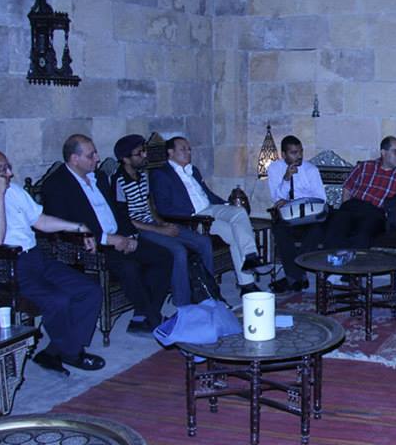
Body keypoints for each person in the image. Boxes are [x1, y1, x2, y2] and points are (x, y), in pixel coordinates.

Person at [0, 148, 105, 376]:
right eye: (3, 170)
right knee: (58, 300)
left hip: (35, 258)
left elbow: (39, 221)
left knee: (90, 290)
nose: (10, 174)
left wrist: (79, 227)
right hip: (3, 270)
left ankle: (55, 352)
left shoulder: (13, 191)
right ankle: (72, 353)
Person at [42, 134, 174, 335]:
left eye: (95, 153)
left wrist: (131, 236)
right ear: (74, 159)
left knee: (163, 256)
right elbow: (61, 227)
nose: (97, 158)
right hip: (90, 246)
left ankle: (144, 316)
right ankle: (153, 319)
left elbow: (117, 211)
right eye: (91, 155)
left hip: (118, 236)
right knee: (129, 267)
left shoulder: (100, 178)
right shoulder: (56, 185)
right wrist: (107, 239)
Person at [111, 134, 216, 308]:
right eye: (139, 153)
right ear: (125, 159)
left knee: (203, 242)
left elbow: (149, 206)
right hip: (138, 229)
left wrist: (161, 222)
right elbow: (124, 219)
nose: (145, 155)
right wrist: (158, 229)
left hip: (153, 223)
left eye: (144, 151)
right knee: (178, 250)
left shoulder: (142, 175)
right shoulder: (119, 181)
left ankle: (208, 292)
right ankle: (182, 303)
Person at [150, 136, 263, 295]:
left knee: (239, 212)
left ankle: (251, 256)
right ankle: (247, 284)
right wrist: (190, 216)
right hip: (194, 217)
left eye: (189, 149)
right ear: (170, 152)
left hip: (210, 208)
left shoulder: (193, 170)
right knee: (234, 234)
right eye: (183, 149)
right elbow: (163, 207)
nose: (188, 152)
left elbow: (207, 194)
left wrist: (226, 204)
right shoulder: (161, 174)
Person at [323, 136, 396, 250]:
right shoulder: (364, 166)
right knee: (335, 228)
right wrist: (346, 206)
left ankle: (356, 261)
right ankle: (331, 260)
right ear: (383, 152)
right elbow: (348, 188)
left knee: (362, 235)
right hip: (353, 206)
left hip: (376, 212)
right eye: (395, 152)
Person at [266, 135, 327, 294]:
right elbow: (277, 198)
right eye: (294, 153)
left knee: (317, 231)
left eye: (300, 152)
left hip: (308, 215)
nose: (299, 156)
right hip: (287, 216)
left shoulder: (311, 170)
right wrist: (286, 179)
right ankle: (299, 277)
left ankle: (293, 277)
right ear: (284, 154)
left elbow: (321, 198)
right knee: (279, 230)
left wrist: (295, 201)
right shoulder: (274, 169)